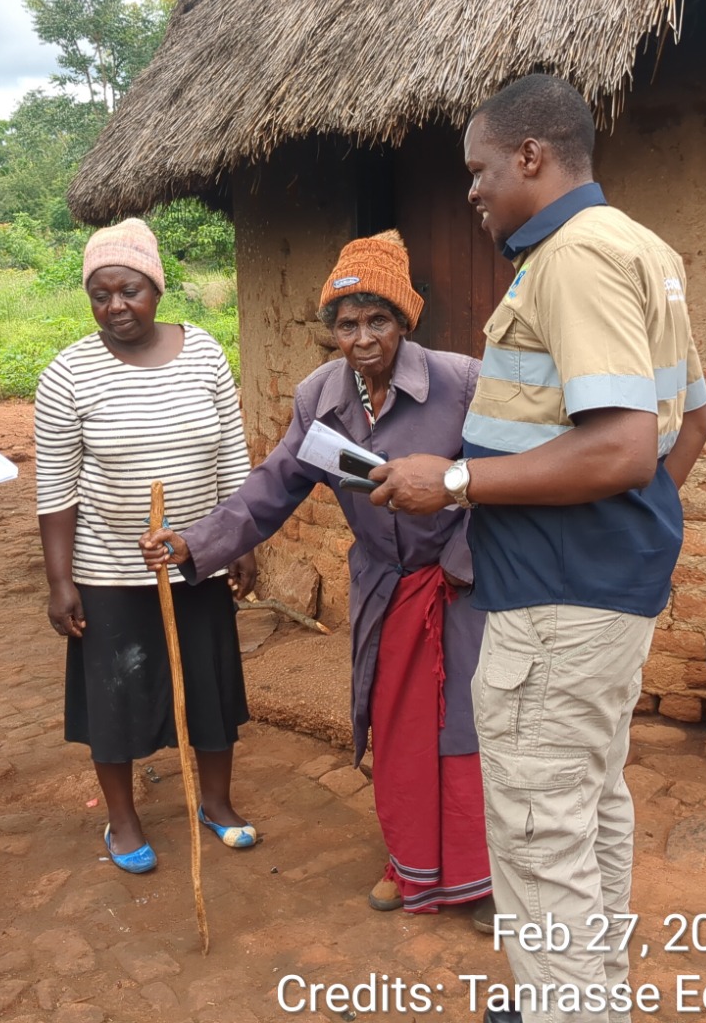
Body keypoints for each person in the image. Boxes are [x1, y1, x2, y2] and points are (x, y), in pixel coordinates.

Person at [370, 74, 706, 1023]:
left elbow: (622, 447)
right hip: (603, 596)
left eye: (479, 170)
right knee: (588, 807)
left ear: (531, 156)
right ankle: (591, 1000)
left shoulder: (574, 259)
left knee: (537, 839)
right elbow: (692, 423)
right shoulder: (642, 248)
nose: (471, 190)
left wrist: (454, 481)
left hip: (556, 610)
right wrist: (626, 536)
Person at [140, 230, 496, 926]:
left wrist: (462, 529)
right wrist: (193, 544)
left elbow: (503, 477)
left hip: (459, 587)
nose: (362, 339)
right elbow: (269, 491)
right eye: (346, 324)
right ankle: (410, 863)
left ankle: (481, 879)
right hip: (384, 591)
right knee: (395, 728)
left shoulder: (461, 383)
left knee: (466, 729)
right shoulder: (319, 398)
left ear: (404, 320)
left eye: (378, 320)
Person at [34, 218, 258, 872]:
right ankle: (123, 820)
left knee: (209, 685)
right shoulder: (68, 375)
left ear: (157, 288)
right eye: (99, 294)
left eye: (128, 290)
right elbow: (55, 489)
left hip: (200, 561)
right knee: (115, 695)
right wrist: (60, 580)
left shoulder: (205, 352)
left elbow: (231, 455)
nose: (115, 306)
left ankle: (215, 803)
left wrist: (237, 540)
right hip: (108, 567)